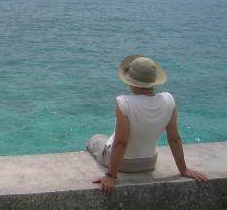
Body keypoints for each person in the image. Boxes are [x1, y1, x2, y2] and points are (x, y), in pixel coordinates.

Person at [86, 55, 208, 195]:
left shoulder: (123, 102)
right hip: (149, 162)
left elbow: (121, 143)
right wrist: (184, 170)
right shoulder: (169, 100)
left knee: (95, 139)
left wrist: (111, 176)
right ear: (153, 81)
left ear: (131, 82)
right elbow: (174, 138)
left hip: (124, 164)